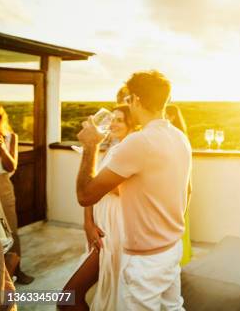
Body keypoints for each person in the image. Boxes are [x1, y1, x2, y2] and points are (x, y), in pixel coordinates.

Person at [75, 70, 192, 310]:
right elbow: (189, 190)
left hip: (145, 259)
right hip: (171, 248)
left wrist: (90, 146)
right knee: (172, 307)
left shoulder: (139, 142)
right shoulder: (180, 137)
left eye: (129, 99)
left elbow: (85, 195)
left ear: (136, 99)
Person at [61, 105, 135, 310]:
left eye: (120, 120)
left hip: (114, 230)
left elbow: (128, 191)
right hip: (100, 225)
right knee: (95, 290)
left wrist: (98, 182)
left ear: (132, 124)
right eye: (113, 118)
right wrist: (88, 223)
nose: (113, 123)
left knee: (68, 298)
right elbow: (90, 191)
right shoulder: (113, 148)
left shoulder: (130, 152)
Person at [0, 106, 33, 285]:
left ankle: (16, 271)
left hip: (2, 184)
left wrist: (1, 148)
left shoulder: (11, 137)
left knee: (10, 229)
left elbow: (11, 166)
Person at [165, 104, 192, 267]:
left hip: (173, 192)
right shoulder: (182, 138)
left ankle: (178, 261)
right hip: (180, 191)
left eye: (166, 115)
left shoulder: (175, 138)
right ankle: (181, 259)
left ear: (172, 116)